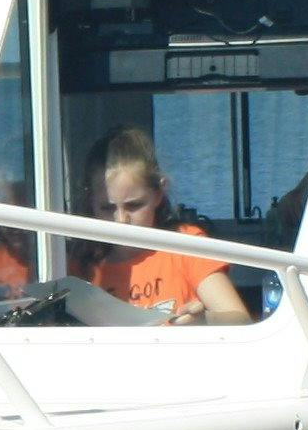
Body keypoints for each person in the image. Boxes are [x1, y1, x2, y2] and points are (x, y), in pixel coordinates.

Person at [72, 124, 257, 323]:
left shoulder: (185, 246)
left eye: (134, 205)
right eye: (107, 208)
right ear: (91, 201)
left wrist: (204, 321)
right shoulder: (81, 264)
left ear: (159, 193)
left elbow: (240, 319)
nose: (121, 220)